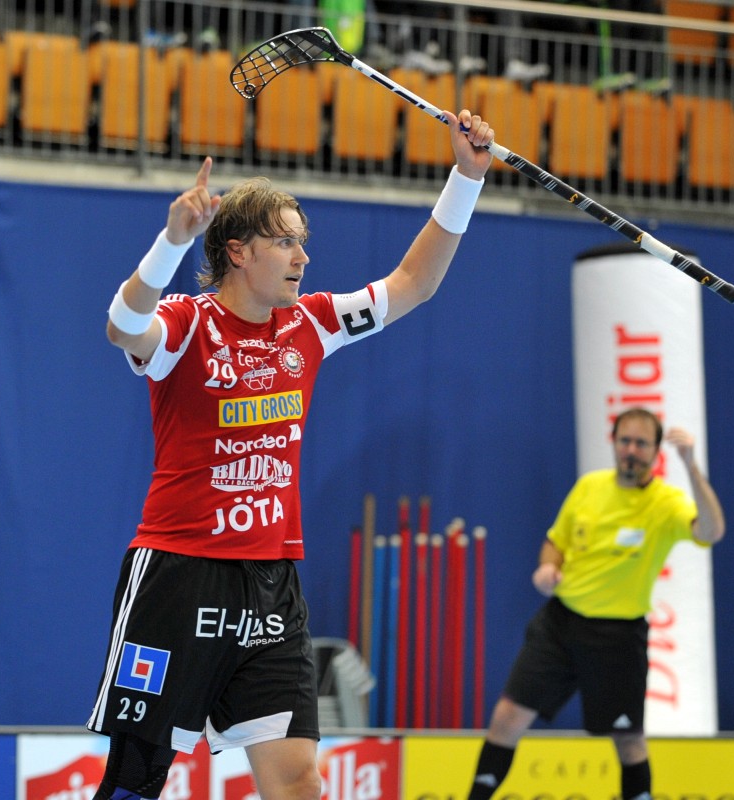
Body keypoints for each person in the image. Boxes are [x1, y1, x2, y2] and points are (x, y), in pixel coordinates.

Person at [92, 111, 496, 800]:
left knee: (300, 782)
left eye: (302, 242)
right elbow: (122, 326)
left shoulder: (311, 323)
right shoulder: (188, 325)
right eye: (285, 242)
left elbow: (414, 284)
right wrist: (171, 241)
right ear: (238, 251)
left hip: (271, 585)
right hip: (179, 576)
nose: (303, 258)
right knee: (136, 781)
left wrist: (467, 176)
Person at [463, 408, 726, 800]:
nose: (631, 451)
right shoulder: (590, 486)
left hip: (618, 636)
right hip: (560, 624)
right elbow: (556, 541)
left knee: (628, 739)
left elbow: (712, 531)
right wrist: (546, 569)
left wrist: (691, 466)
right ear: (613, 442)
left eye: (641, 444)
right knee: (507, 716)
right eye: (625, 441)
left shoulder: (667, 503)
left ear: (656, 451)